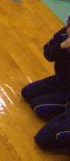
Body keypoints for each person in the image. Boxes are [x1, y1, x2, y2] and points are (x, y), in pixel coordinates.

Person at [23, 18, 70, 154]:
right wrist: (62, 46)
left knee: (43, 137)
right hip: (60, 81)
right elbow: (48, 53)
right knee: (28, 93)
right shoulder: (64, 34)